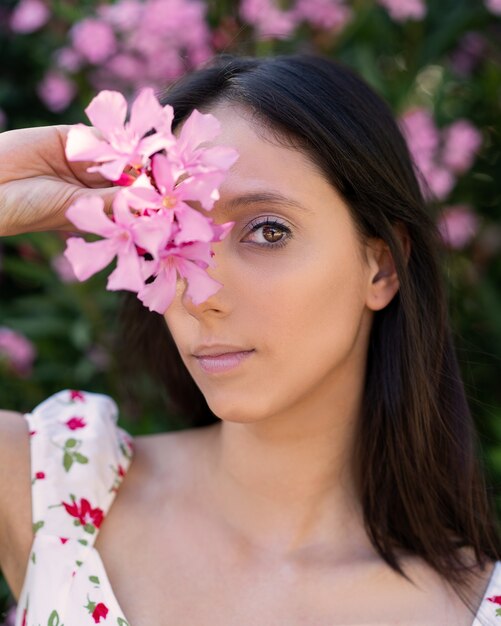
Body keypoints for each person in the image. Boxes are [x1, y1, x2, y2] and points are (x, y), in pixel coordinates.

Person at [0, 53, 500, 626]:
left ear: (381, 267)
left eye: (267, 231)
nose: (200, 294)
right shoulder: (51, 486)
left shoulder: (473, 610)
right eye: (171, 231)